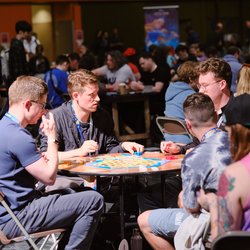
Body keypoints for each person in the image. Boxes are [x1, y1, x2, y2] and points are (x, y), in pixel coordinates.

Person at [0, 75, 104, 249]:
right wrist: (51, 138)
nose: (43, 111)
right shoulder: (18, 136)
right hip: (18, 216)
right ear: (27, 104)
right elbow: (49, 178)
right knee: (93, 200)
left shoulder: (4, 127)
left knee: (70, 191)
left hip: (8, 211)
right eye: (42, 105)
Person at [138, 93, 231, 250]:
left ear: (188, 124)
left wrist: (183, 197)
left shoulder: (193, 157)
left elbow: (190, 206)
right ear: (216, 114)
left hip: (214, 222)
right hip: (241, 217)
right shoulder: (238, 142)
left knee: (144, 220)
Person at [39, 69, 144, 188]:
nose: (98, 99)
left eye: (97, 93)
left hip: (99, 176)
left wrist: (123, 146)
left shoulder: (103, 116)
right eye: (91, 95)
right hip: (68, 178)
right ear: (76, 96)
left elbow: (109, 149)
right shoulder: (55, 118)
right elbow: (46, 156)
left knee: (133, 185)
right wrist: (79, 152)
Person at [197, 93, 250, 239]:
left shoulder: (234, 174)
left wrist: (213, 203)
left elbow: (223, 240)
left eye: (226, 132)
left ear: (235, 133)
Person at [162, 57, 232, 155]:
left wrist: (201, 151)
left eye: (205, 85)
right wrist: (179, 148)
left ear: (222, 84)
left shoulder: (238, 113)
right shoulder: (207, 108)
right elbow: (197, 142)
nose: (200, 91)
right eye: (199, 86)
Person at [164, 61, 198, 144]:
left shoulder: (171, 90)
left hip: (168, 136)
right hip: (186, 139)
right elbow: (198, 122)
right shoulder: (190, 95)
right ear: (191, 79)